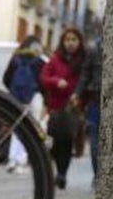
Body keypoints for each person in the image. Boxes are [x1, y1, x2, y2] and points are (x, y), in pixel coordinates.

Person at [39, 27, 85, 189]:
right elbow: (44, 77)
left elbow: (84, 81)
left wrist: (77, 94)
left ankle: (62, 174)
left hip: (73, 107)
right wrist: (56, 81)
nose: (70, 43)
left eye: (74, 40)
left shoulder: (83, 60)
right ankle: (59, 171)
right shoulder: (55, 59)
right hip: (56, 107)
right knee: (57, 141)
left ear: (79, 42)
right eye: (67, 40)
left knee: (68, 141)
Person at [1, 35, 44, 174]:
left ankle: (12, 160)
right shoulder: (39, 61)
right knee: (30, 129)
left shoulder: (15, 59)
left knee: (17, 129)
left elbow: (5, 78)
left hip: (16, 99)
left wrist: (15, 91)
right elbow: (43, 82)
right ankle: (21, 161)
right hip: (34, 98)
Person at [71, 31, 102, 186]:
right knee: (95, 142)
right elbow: (85, 74)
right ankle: (98, 176)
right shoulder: (94, 49)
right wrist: (77, 93)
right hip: (95, 102)